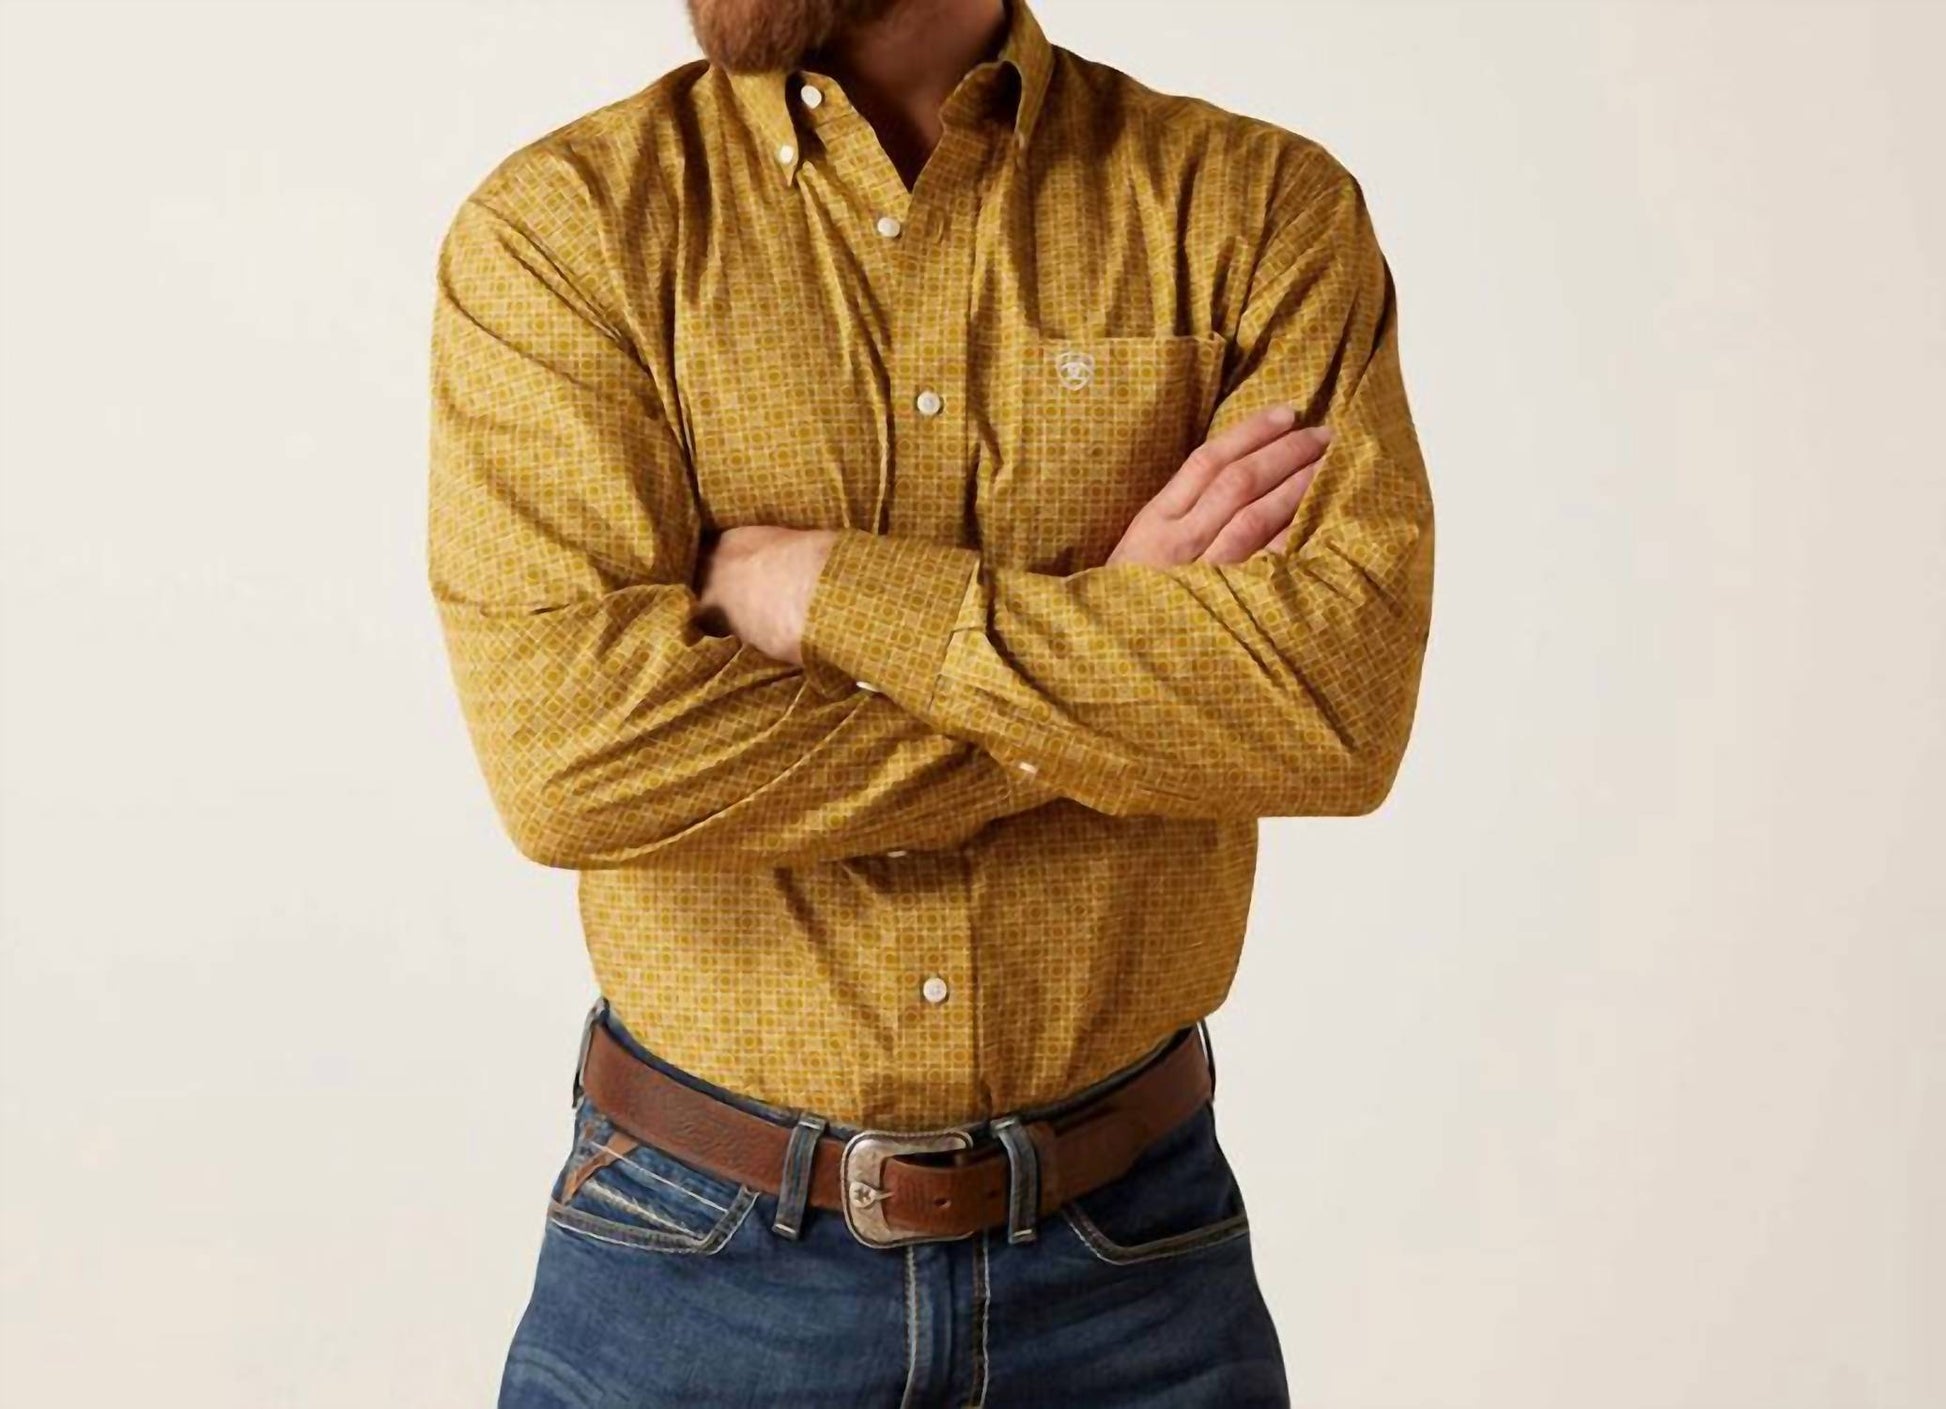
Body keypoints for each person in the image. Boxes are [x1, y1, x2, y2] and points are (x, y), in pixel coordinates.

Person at [426, 0, 1435, 1400]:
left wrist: (829, 591)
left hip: (1137, 1281)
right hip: (692, 1272)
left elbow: (1328, 703)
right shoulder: (568, 231)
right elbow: (577, 764)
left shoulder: (1251, 212)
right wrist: (1107, 666)